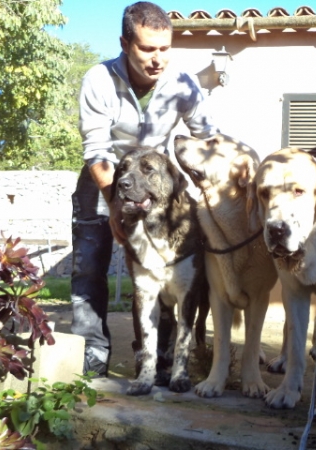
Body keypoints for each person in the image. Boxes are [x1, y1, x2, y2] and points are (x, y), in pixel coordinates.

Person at [71, 1, 218, 376]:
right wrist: (116, 206)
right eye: (147, 49)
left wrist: (210, 187)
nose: (158, 59)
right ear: (124, 43)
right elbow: (97, 150)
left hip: (157, 185)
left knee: (164, 270)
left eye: (164, 49)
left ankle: (158, 356)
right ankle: (92, 354)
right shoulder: (99, 80)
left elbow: (208, 139)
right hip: (103, 178)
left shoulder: (184, 84)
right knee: (89, 267)